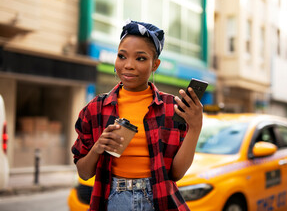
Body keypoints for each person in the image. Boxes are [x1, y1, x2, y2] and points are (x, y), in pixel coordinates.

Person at [71, 20, 204, 211]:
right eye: (122, 56)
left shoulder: (171, 108)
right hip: (113, 201)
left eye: (140, 58)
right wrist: (98, 147)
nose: (129, 65)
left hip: (159, 201)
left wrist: (195, 127)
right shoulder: (96, 109)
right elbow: (84, 173)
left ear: (155, 65)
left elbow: (176, 173)